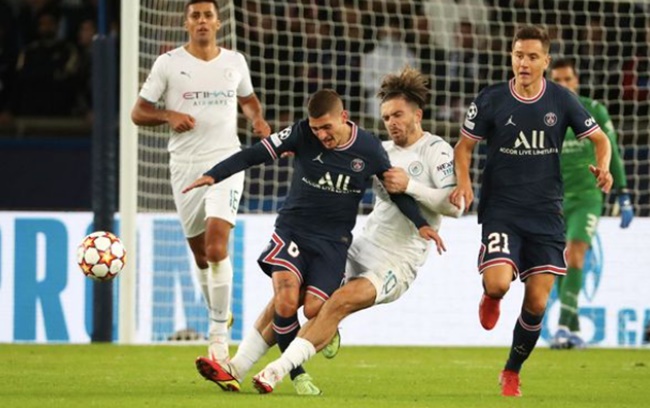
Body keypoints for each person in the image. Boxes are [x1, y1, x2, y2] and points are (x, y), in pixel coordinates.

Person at [183, 88, 443, 395]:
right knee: (285, 297)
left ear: (343, 117)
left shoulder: (369, 148)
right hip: (293, 230)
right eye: (316, 128)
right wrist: (215, 174)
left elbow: (395, 191)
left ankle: (321, 334)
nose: (321, 135)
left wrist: (421, 223)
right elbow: (255, 154)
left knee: (314, 308)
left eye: (326, 127)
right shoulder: (301, 133)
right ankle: (252, 370)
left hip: (333, 243)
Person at [246, 66, 464, 394]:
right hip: (361, 245)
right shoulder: (380, 151)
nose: (391, 122)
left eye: (398, 115)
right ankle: (236, 364)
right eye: (386, 117)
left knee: (339, 302)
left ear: (417, 115)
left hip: (397, 261)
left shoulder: (436, 150)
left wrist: (411, 186)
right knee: (292, 293)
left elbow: (455, 206)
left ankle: (276, 371)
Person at [449, 25, 613, 397]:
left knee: (537, 302)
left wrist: (603, 167)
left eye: (532, 57)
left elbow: (600, 139)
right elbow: (463, 147)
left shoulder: (562, 100)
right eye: (518, 55)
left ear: (545, 61)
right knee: (499, 283)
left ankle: (511, 370)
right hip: (502, 210)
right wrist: (464, 181)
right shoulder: (491, 99)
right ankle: (491, 296)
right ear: (512, 56)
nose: (524, 63)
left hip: (545, 214)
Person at [130, 0, 271, 365]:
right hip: (185, 166)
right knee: (200, 254)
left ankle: (218, 337)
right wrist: (168, 115)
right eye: (196, 16)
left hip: (227, 160)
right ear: (187, 23)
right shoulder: (168, 63)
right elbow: (138, 112)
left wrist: (257, 120)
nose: (203, 21)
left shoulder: (234, 61)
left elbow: (248, 99)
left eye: (208, 15)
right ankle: (220, 314)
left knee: (216, 246)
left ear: (218, 23)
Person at [549, 58, 633, 349]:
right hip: (554, 199)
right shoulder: (544, 115)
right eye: (557, 80)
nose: (563, 85)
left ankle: (562, 327)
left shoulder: (593, 110)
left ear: (577, 81)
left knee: (576, 254)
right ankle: (573, 332)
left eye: (567, 79)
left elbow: (611, 150)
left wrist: (623, 193)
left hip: (587, 196)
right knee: (559, 261)